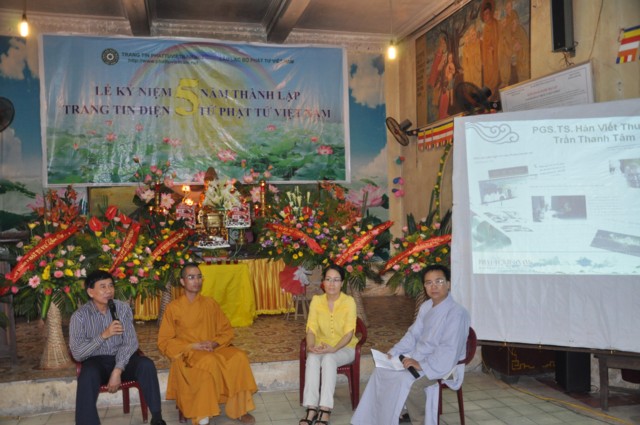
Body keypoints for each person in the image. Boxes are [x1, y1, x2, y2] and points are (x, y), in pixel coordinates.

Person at [351, 264, 470, 425]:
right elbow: (413, 335)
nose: (434, 286)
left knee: (412, 384)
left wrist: (422, 365)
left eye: (439, 281)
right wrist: (393, 352)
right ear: (424, 286)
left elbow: (449, 350)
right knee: (382, 370)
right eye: (429, 283)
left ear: (448, 284)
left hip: (444, 363)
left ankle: (419, 420)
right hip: (419, 355)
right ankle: (385, 416)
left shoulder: (457, 313)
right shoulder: (426, 306)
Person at [158, 262, 257, 425]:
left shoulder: (210, 303)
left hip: (213, 349)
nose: (196, 281)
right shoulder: (173, 308)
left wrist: (215, 343)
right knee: (209, 361)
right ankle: (203, 412)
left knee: (239, 357)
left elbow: (227, 330)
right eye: (191, 277)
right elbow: (164, 341)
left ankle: (240, 409)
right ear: (182, 282)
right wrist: (192, 346)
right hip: (189, 353)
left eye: (199, 277)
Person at [69, 270, 166, 425]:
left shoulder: (122, 308)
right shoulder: (79, 317)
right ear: (90, 292)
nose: (108, 291)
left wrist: (118, 369)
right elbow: (78, 354)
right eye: (103, 287)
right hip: (96, 362)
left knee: (146, 364)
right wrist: (104, 335)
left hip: (122, 360)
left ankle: (157, 417)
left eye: (111, 286)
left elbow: (130, 342)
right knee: (87, 375)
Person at [299, 264, 358, 425]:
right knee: (312, 358)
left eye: (336, 280)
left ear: (342, 283)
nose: (332, 284)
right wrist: (311, 346)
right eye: (328, 279)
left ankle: (325, 409)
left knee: (329, 359)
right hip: (322, 346)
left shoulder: (349, 302)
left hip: (345, 348)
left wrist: (334, 348)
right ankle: (311, 408)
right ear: (323, 282)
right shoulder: (317, 301)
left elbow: (349, 333)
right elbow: (311, 329)